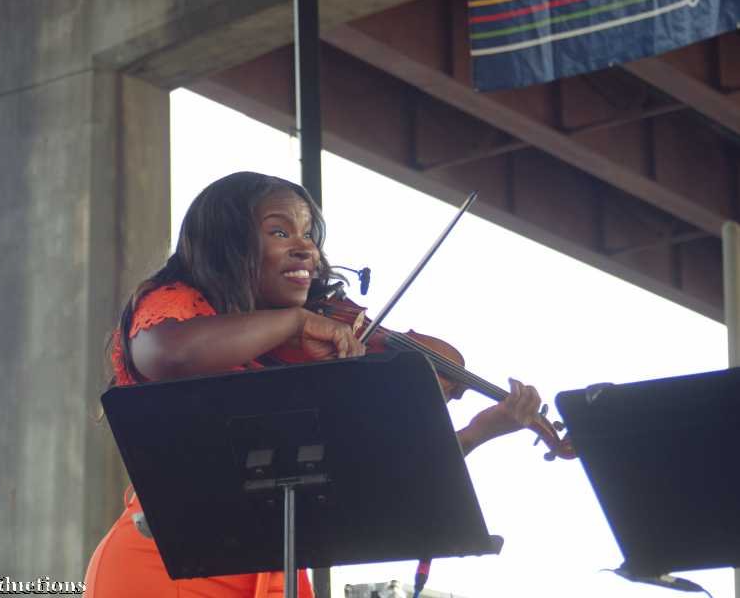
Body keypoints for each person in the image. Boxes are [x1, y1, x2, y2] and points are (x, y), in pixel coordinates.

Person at [83, 172, 542, 598]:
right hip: (164, 566)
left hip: (274, 566)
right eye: (280, 232)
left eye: (309, 235)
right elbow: (169, 354)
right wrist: (295, 321)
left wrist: (479, 431)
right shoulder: (178, 304)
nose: (306, 249)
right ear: (226, 243)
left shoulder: (293, 355)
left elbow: (371, 469)